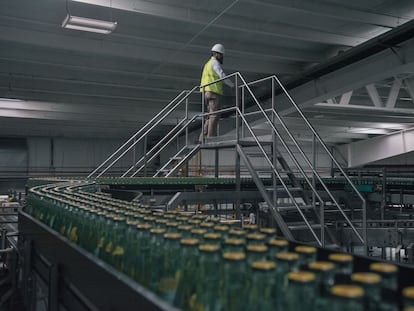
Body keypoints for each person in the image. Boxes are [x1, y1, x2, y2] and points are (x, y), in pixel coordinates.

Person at [199, 43, 234, 142]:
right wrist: (232, 85)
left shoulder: (207, 64)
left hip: (206, 92)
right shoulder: (215, 63)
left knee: (210, 115)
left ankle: (202, 137)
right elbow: (221, 75)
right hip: (213, 92)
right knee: (215, 115)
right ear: (217, 54)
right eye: (221, 55)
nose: (222, 57)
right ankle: (211, 137)